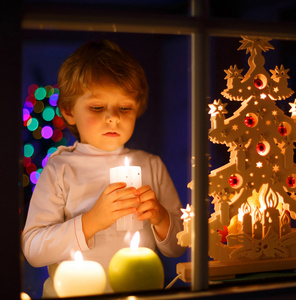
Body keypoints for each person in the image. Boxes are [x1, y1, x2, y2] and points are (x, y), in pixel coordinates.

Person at [21, 40, 186, 297]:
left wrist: (162, 218)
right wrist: (91, 221)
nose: (113, 117)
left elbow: (178, 247)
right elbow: (33, 249)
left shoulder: (151, 165)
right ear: (69, 111)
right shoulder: (60, 169)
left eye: (124, 107)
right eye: (97, 107)